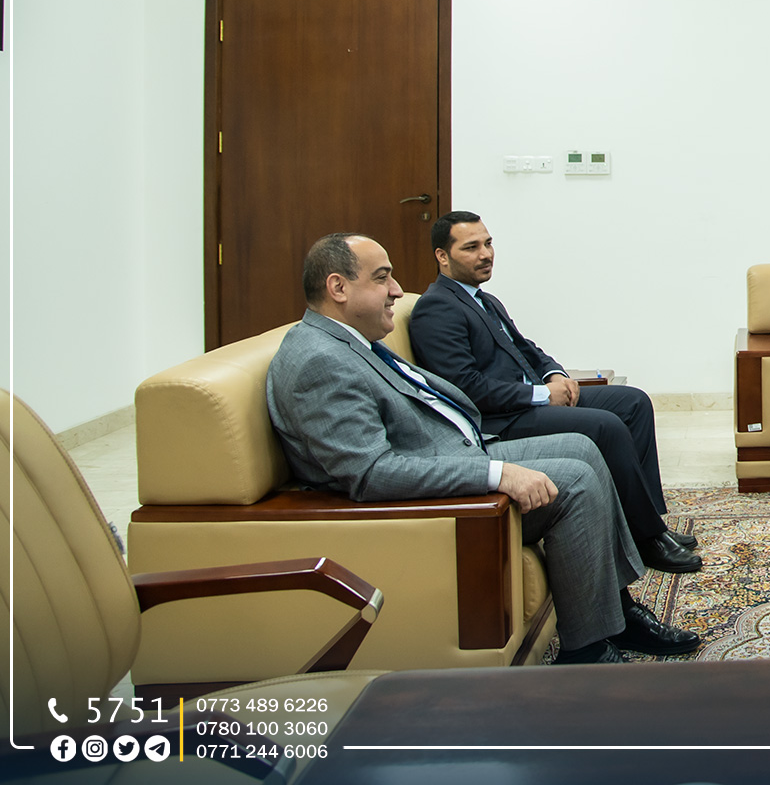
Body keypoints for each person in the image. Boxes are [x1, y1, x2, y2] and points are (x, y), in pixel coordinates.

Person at [267, 232, 701, 663]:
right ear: (338, 287)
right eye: (382, 278)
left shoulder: (349, 341)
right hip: (434, 493)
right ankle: (586, 650)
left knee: (583, 448)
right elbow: (370, 473)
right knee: (574, 480)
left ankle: (615, 612)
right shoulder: (319, 361)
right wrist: (497, 474)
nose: (397, 290)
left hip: (457, 449)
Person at [408, 211, 700, 574]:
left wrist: (556, 374)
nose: (486, 254)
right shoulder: (436, 308)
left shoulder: (484, 299)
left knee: (633, 402)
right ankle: (648, 539)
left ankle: (645, 522)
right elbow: (467, 388)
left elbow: (526, 348)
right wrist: (543, 395)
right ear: (442, 255)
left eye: (488, 243)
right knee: (606, 426)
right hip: (501, 420)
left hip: (529, 400)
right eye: (471, 247)